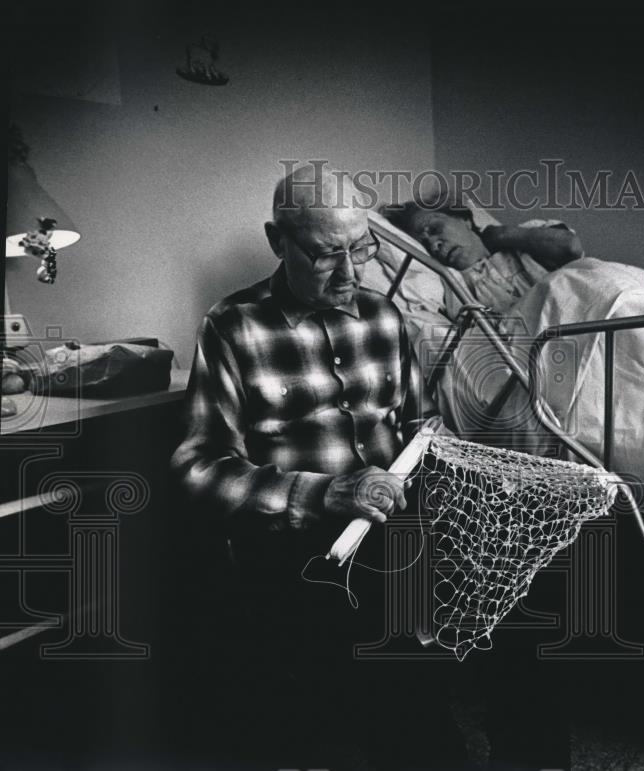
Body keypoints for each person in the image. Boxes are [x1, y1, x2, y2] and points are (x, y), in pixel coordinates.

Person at [171, 167, 467, 770]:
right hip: (295, 544)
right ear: (277, 241)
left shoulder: (385, 318)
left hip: (391, 531)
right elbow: (198, 466)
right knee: (372, 677)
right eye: (327, 254)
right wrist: (322, 494)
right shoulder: (231, 326)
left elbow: (422, 426)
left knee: (529, 603)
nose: (351, 274)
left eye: (362, 249)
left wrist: (439, 466)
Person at [385, 200, 583, 318]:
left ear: (465, 220)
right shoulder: (453, 290)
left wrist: (502, 235)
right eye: (426, 246)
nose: (434, 245)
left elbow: (570, 247)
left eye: (435, 229)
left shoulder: (526, 241)